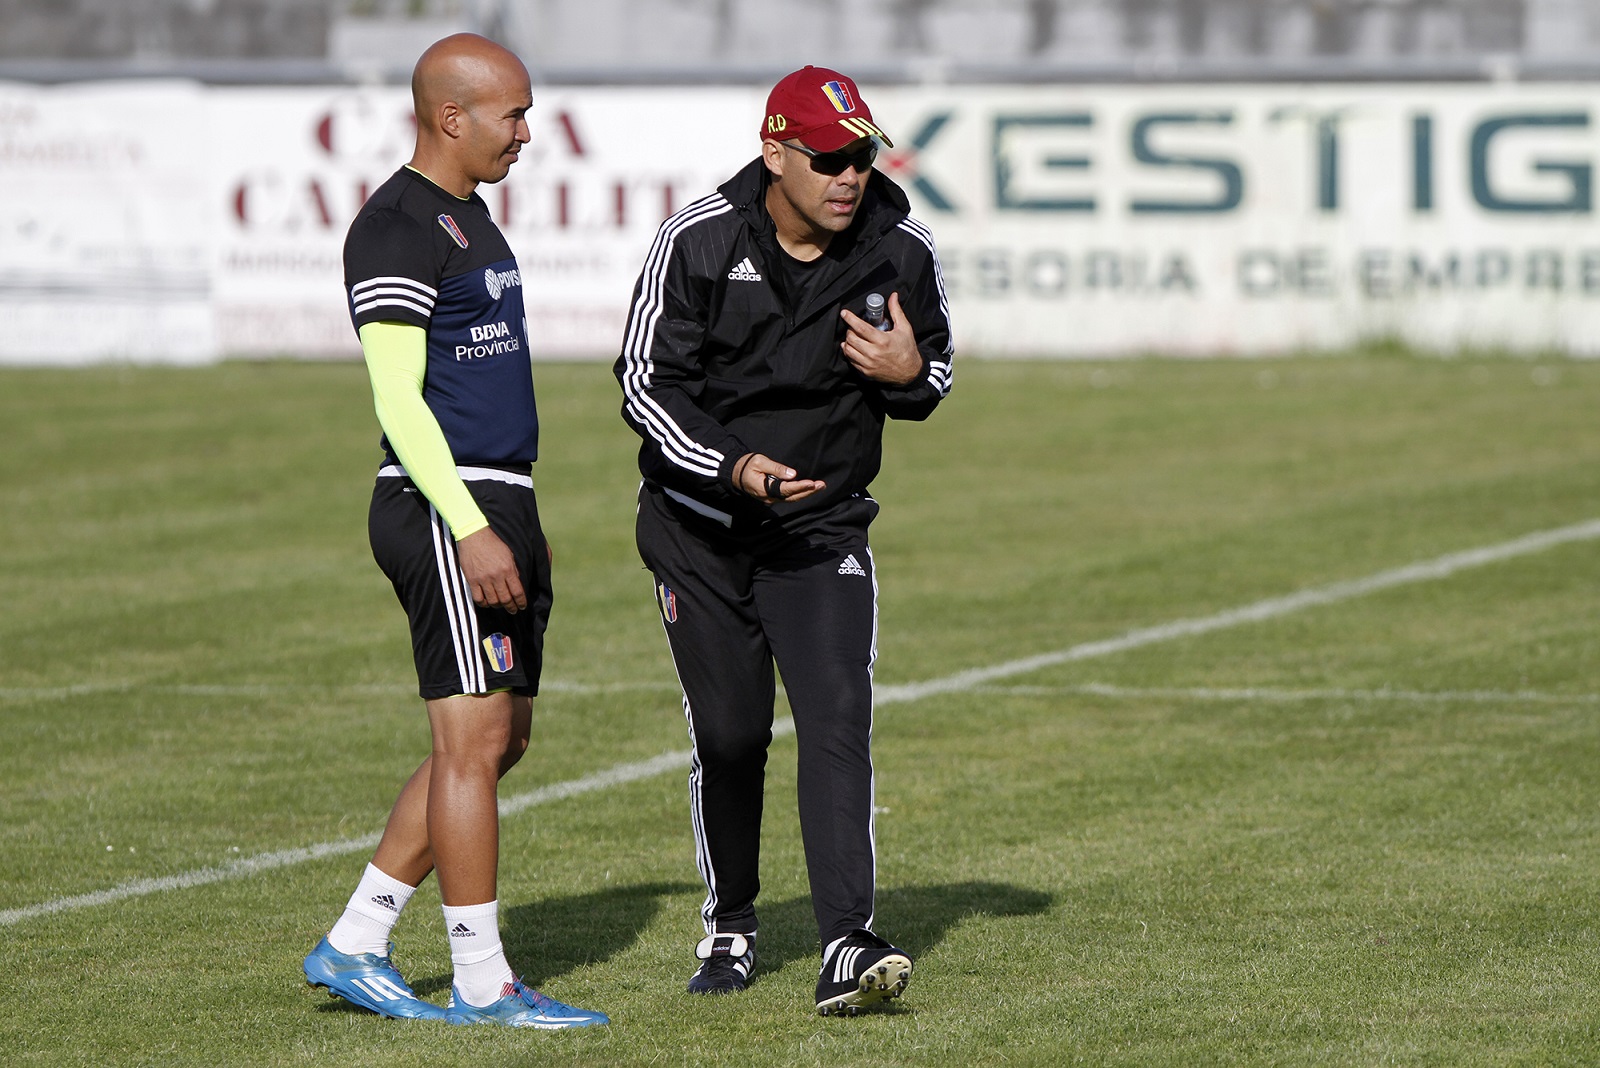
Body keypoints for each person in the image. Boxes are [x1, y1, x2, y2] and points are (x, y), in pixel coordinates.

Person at [614, 65, 954, 1016]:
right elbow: (645, 383)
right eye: (832, 157)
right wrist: (734, 467)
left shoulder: (901, 245)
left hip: (822, 528)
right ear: (777, 152)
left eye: (864, 155)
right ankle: (731, 918)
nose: (852, 175)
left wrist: (907, 369)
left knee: (838, 713)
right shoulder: (703, 239)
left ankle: (848, 940)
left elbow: (935, 375)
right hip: (702, 527)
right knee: (730, 735)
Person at [300, 33, 608, 1029]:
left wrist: (518, 519)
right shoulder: (395, 227)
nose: (527, 132)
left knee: (500, 736)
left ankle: (354, 940)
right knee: (471, 741)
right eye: (512, 114)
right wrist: (473, 526)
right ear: (450, 117)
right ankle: (484, 984)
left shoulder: (469, 221)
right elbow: (398, 397)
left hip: (494, 498)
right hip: (443, 505)